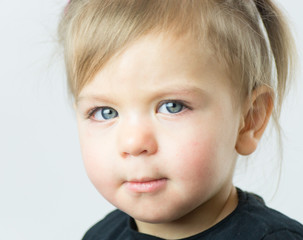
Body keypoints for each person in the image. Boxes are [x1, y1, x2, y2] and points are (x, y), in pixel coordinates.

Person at [58, 0, 303, 239]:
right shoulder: (100, 235)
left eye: (172, 107)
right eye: (104, 112)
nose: (133, 143)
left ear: (250, 119)